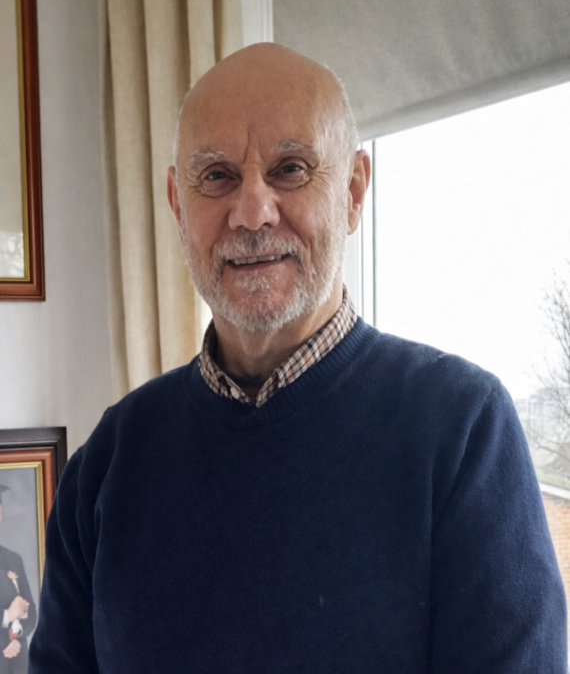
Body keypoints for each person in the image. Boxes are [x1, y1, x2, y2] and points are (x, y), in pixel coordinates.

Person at [30, 43, 566, 673]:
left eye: (290, 169)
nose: (252, 212)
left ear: (354, 192)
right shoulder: (107, 464)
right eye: (217, 176)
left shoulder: (463, 431)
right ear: (178, 204)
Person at [0, 485, 37, 674]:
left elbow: (31, 613)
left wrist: (14, 633)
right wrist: (7, 616)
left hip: (17, 663)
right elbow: (13, 612)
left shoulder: (13, 559)